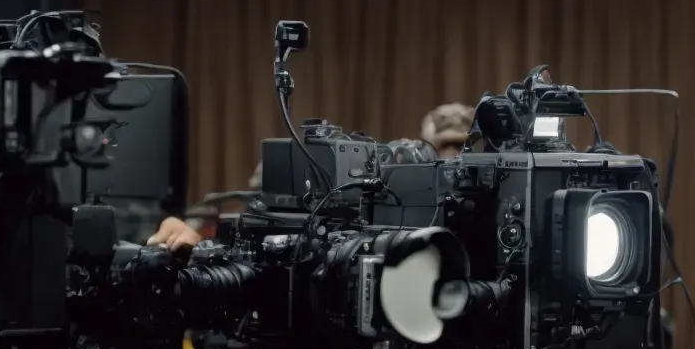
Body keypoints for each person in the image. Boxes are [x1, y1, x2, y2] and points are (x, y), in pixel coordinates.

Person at [148, 103, 478, 251]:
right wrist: (200, 249)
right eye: (442, 148)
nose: (451, 160)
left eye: (460, 148)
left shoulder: (481, 209)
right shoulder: (381, 195)